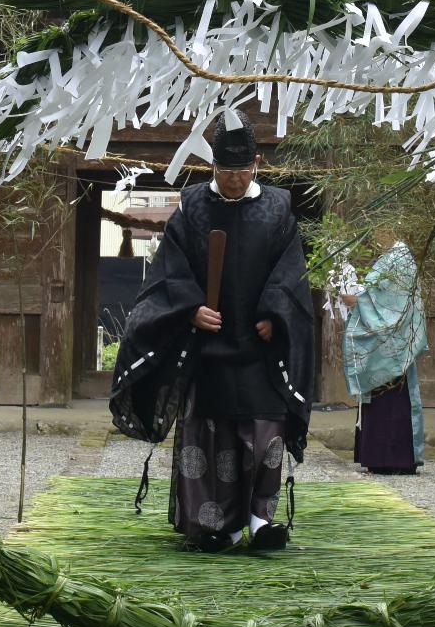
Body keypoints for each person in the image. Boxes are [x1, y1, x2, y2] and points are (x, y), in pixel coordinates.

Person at [110, 109, 316, 552]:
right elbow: (169, 272)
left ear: (257, 164)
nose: (235, 180)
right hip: (210, 347)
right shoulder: (193, 206)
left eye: (242, 171)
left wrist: (275, 314)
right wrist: (190, 309)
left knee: (266, 439)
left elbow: (291, 271)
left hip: (259, 348)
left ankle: (261, 521)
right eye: (226, 171)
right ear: (212, 167)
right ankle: (220, 526)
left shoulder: (278, 207)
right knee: (212, 438)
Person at [341, 231, 426, 476]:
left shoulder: (400, 258)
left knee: (392, 398)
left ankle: (394, 459)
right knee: (381, 399)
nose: (375, 235)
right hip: (384, 338)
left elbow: (392, 302)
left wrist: (359, 301)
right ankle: (378, 457)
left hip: (392, 341)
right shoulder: (391, 257)